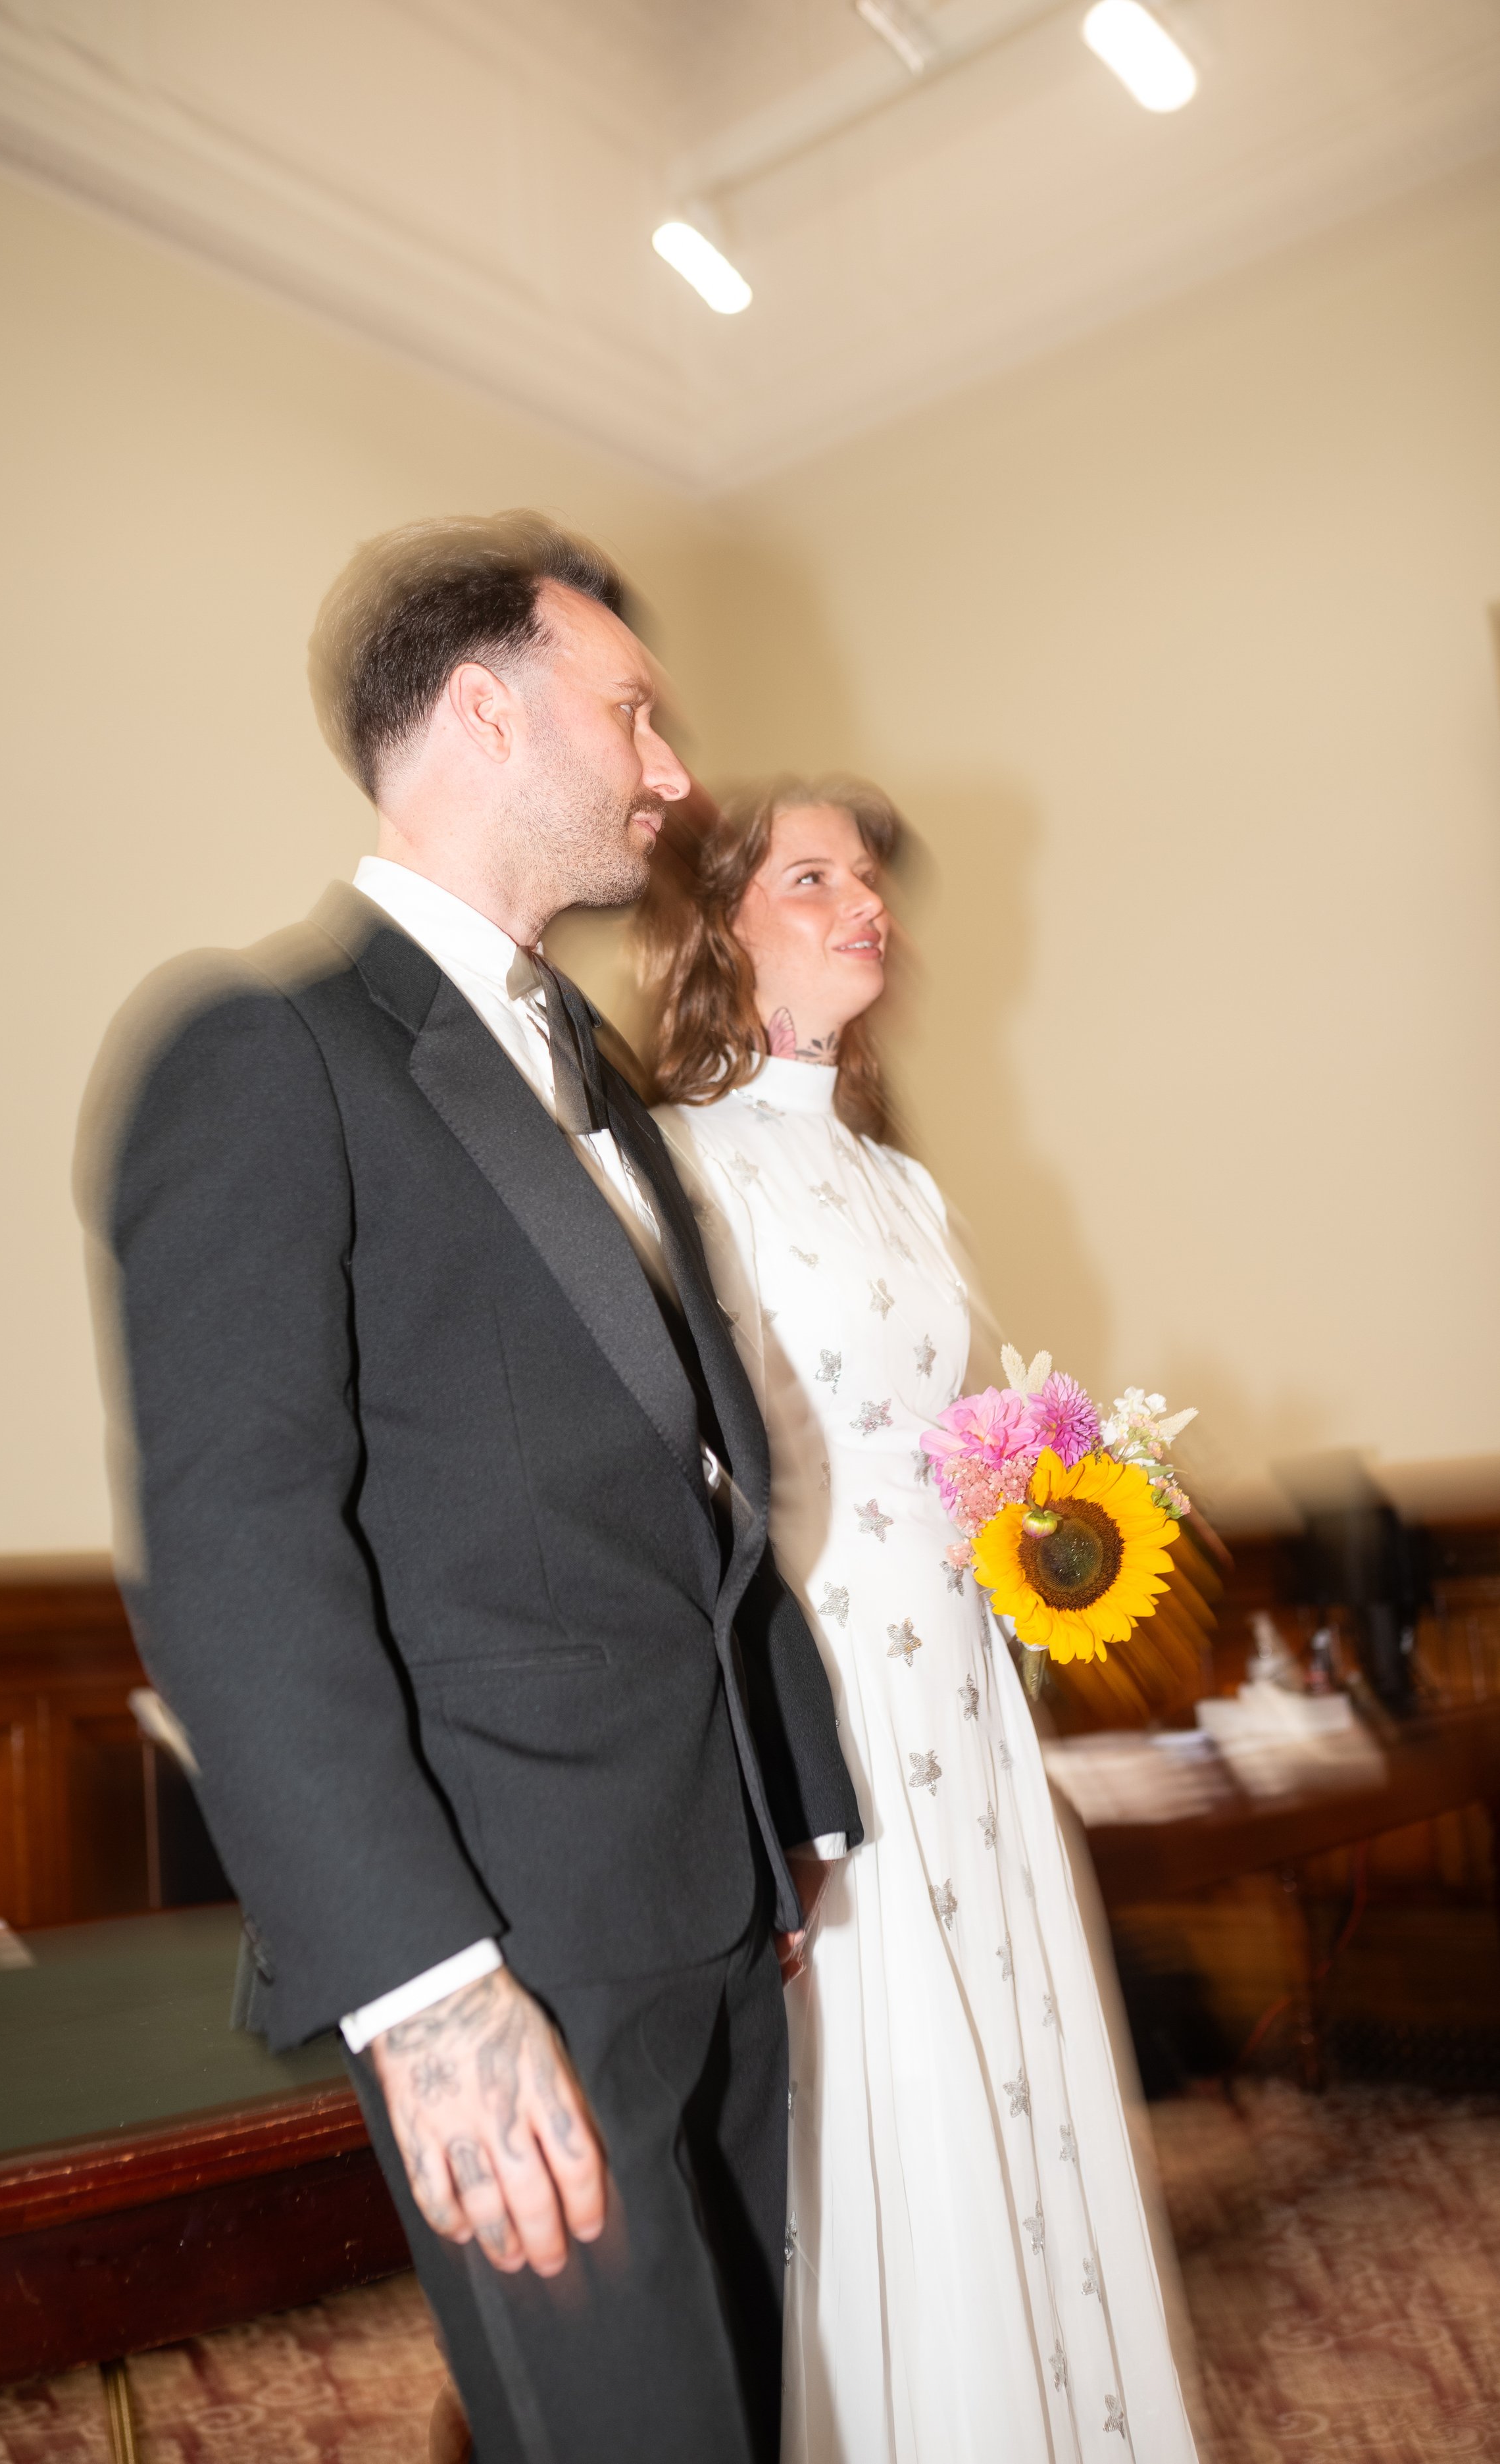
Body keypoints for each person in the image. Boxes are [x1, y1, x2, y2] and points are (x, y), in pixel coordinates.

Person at [76, 518, 861, 2464]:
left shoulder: (583, 1067)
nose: (670, 770)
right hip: (511, 1945)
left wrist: (791, 1807)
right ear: (485, 713)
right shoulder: (264, 1051)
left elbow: (692, 1479)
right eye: (633, 713)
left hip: (713, 1904)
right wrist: (427, 1993)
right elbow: (237, 1557)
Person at [641, 778, 1200, 2463]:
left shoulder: (899, 1180)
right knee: (885, 2070)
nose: (861, 900)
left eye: (867, 875)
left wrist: (1053, 1501)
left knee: (1010, 2047)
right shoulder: (680, 1164)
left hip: (961, 1680)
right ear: (718, 928)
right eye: (810, 876)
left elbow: (945, 1436)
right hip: (830, 1681)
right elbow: (697, 1474)